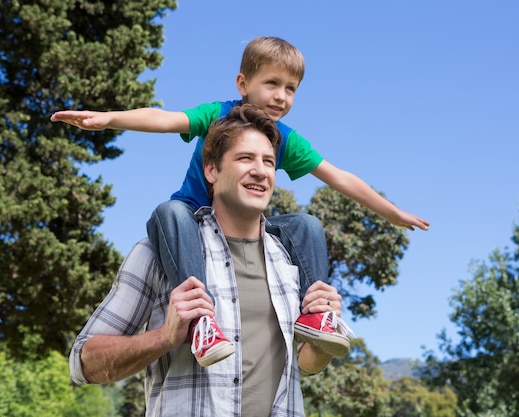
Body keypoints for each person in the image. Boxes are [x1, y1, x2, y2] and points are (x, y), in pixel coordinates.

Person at [52, 36, 428, 366]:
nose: (281, 96)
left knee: (307, 224)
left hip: (243, 225)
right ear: (243, 83)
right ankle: (201, 322)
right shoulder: (217, 115)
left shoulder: (284, 137)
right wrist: (107, 119)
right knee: (168, 211)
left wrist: (390, 212)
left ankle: (316, 316)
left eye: (291, 88)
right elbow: (165, 119)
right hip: (192, 218)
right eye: (272, 83)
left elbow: (338, 176)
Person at [70, 103, 338, 417]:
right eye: (244, 158)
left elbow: (306, 365)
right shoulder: (159, 252)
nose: (260, 170)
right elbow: (83, 362)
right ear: (211, 170)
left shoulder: (291, 262)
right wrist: (163, 337)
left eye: (268, 162)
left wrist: (320, 347)